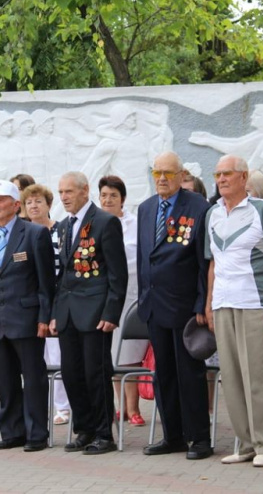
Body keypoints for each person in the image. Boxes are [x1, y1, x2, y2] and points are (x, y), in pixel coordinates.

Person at [204, 157, 263, 467]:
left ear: (243, 177)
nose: (221, 179)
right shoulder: (212, 213)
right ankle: (246, 443)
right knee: (231, 375)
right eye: (218, 174)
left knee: (256, 375)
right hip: (223, 303)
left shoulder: (261, 209)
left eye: (227, 173)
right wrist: (209, 304)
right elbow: (213, 263)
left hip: (255, 302)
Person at [137, 151, 213, 460]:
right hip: (154, 305)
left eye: (169, 173)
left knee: (189, 375)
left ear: (182, 175)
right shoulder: (146, 208)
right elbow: (146, 256)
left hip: (185, 306)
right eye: (157, 173)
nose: (163, 179)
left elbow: (203, 261)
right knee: (163, 374)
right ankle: (173, 436)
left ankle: (200, 439)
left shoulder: (198, 207)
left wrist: (201, 301)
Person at [0, 180, 55, 452]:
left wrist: (44, 317)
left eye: (0, 200)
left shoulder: (33, 234)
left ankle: (36, 434)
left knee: (33, 380)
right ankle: (11, 432)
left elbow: (45, 282)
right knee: (5, 381)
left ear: (15, 205)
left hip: (27, 319)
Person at [51, 171, 128, 455]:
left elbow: (117, 274)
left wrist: (112, 311)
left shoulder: (105, 222)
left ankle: (103, 433)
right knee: (72, 373)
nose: (64, 197)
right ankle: (83, 428)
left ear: (85, 191)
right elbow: (60, 274)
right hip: (68, 311)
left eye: (68, 192)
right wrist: (54, 312)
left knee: (95, 373)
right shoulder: (62, 226)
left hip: (96, 311)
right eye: (60, 192)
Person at [98, 175, 148, 427]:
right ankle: (121, 408)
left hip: (131, 295)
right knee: (112, 355)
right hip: (105, 297)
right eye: (104, 195)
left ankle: (134, 408)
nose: (108, 200)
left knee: (131, 354)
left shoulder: (135, 224)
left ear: (123, 199)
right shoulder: (94, 223)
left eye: (113, 196)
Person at [22, 183, 70, 425]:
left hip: (57, 298)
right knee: (35, 358)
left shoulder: (61, 231)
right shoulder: (21, 234)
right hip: (30, 303)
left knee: (57, 355)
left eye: (38, 201)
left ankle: (63, 407)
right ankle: (44, 406)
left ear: (49, 205)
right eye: (29, 202)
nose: (33, 206)